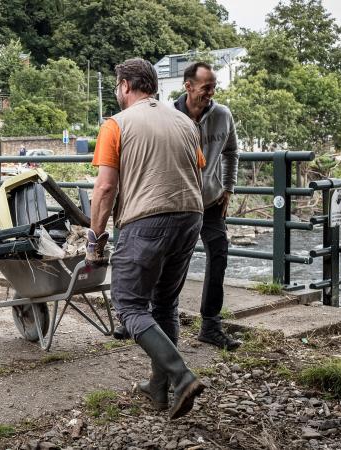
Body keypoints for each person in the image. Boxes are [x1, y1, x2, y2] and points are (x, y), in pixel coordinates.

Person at [87, 58, 206, 419]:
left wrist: (95, 240)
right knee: (165, 304)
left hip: (147, 220)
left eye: (116, 85)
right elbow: (196, 165)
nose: (116, 90)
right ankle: (158, 388)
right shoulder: (185, 122)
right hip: (191, 216)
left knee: (128, 305)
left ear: (125, 85)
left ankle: (181, 375)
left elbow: (106, 188)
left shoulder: (116, 125)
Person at [174, 62, 241, 351]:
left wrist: (228, 188)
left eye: (214, 87)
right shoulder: (168, 116)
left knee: (220, 257)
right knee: (171, 262)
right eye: (206, 88)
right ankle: (161, 320)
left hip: (212, 202)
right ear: (188, 86)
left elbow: (232, 152)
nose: (211, 93)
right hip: (177, 203)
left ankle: (211, 326)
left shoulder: (223, 115)